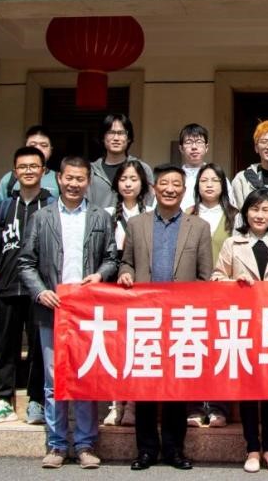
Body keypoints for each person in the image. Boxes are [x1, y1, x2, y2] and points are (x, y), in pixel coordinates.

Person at [17, 156, 119, 470]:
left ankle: (86, 444)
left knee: (86, 378)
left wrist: (100, 275)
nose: (74, 184)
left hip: (87, 312)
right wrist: (40, 291)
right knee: (54, 380)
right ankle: (57, 444)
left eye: (80, 179)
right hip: (53, 310)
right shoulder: (42, 217)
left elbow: (112, 258)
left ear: (89, 181)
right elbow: (25, 262)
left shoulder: (100, 217)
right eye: (69, 178)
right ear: (59, 179)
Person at [118, 164, 214, 471]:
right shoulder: (137, 224)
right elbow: (126, 263)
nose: (170, 189)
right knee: (144, 386)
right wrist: (125, 274)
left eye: (176, 184)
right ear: (154, 188)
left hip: (181, 320)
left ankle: (174, 450)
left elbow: (205, 276)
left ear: (184, 191)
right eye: (164, 183)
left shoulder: (199, 227)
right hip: (145, 317)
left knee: (177, 387)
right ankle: (146, 450)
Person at [211, 188, 268, 473]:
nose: (259, 215)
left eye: (265, 209)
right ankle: (251, 448)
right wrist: (233, 281)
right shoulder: (232, 244)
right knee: (249, 388)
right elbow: (216, 278)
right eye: (254, 209)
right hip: (244, 324)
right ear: (245, 213)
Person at [0, 146, 52, 426]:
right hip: (7, 287)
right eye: (23, 167)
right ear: (15, 171)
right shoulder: (3, 209)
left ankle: (36, 400)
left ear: (43, 171)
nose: (28, 171)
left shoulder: (51, 206)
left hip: (40, 291)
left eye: (34, 166)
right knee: (6, 345)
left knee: (38, 348)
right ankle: (3, 400)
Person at [185, 163, 238, 429]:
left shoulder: (235, 216)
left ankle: (219, 407)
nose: (209, 184)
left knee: (222, 349)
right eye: (204, 180)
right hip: (193, 291)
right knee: (194, 347)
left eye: (215, 180)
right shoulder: (188, 214)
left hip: (225, 293)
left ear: (223, 186)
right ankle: (195, 406)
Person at [102, 159, 152, 428]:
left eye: (134, 179)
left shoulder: (152, 213)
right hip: (113, 282)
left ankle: (132, 402)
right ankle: (115, 402)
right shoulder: (106, 214)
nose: (128, 184)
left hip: (142, 284)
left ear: (143, 183)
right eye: (123, 179)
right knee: (115, 344)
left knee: (137, 343)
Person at [88, 113, 154, 209]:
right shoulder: (91, 170)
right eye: (111, 132)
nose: (116, 138)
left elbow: (149, 201)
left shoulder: (142, 168)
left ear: (129, 138)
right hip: (98, 219)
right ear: (103, 137)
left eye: (121, 133)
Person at [0, 125, 59, 204]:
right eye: (32, 145)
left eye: (43, 145)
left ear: (51, 150)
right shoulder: (9, 179)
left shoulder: (59, 179)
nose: (38, 149)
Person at [178, 123, 210, 211]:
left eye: (199, 142)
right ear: (181, 148)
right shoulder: (175, 177)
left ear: (206, 147)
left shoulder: (217, 176)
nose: (194, 147)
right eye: (188, 142)